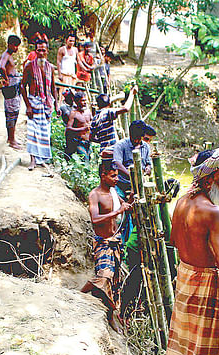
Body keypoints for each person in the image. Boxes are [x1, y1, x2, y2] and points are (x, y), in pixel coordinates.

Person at [161, 147, 219, 355]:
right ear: (208, 181)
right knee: (202, 346)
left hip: (184, 276)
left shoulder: (182, 202)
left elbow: (173, 241)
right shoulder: (213, 213)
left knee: (181, 338)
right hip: (204, 283)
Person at [81, 154, 131, 332]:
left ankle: (111, 315)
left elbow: (125, 206)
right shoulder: (95, 195)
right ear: (103, 175)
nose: (117, 179)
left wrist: (129, 202)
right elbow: (95, 219)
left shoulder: (114, 192)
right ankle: (79, 295)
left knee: (115, 282)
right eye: (113, 176)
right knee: (104, 276)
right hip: (103, 243)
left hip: (115, 242)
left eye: (117, 175)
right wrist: (117, 211)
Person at [22, 38, 58, 170]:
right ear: (35, 51)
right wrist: (28, 106)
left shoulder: (50, 67)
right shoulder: (29, 66)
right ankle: (32, 160)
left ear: (47, 51)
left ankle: (41, 159)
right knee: (33, 132)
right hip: (34, 102)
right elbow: (22, 87)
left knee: (45, 132)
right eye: (39, 50)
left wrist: (57, 105)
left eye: (43, 50)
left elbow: (53, 87)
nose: (41, 53)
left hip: (47, 105)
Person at [111, 119, 154, 195]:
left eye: (139, 138)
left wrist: (148, 168)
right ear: (130, 134)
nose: (136, 141)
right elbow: (117, 163)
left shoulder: (146, 146)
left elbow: (148, 163)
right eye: (134, 138)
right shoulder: (121, 145)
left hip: (141, 184)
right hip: (123, 183)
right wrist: (132, 175)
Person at [90, 85, 137, 152]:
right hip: (113, 151)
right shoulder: (107, 112)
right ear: (109, 103)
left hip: (103, 151)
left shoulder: (95, 118)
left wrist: (103, 141)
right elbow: (126, 108)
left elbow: (91, 138)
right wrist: (132, 93)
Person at [0, 34, 23, 150]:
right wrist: (6, 79)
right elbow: (1, 67)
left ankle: (10, 138)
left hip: (13, 86)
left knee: (13, 112)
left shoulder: (8, 55)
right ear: (10, 44)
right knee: (12, 113)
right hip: (10, 87)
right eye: (15, 46)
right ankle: (12, 140)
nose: (16, 48)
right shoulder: (6, 55)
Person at [65, 90, 91, 162]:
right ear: (77, 102)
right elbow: (68, 129)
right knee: (85, 161)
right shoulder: (73, 114)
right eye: (82, 101)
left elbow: (92, 124)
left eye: (85, 100)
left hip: (88, 142)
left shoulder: (88, 112)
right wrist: (83, 129)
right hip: (79, 142)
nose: (85, 103)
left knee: (89, 161)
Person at [56, 34, 78, 99]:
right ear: (66, 40)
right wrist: (59, 74)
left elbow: (78, 62)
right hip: (64, 75)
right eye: (70, 41)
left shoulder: (75, 50)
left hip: (72, 75)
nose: (71, 43)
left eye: (73, 41)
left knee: (72, 93)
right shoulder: (62, 49)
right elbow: (58, 62)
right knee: (63, 93)